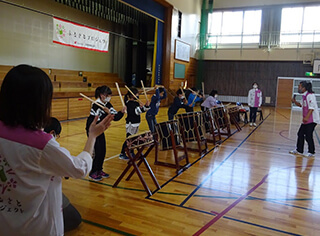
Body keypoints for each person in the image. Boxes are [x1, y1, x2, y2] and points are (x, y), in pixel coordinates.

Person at [0, 64, 113, 236]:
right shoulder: (41, 144)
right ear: (38, 103)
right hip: (38, 226)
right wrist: (92, 136)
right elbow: (79, 168)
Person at [43, 117, 82, 232]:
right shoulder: (47, 146)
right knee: (74, 218)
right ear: (52, 133)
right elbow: (79, 169)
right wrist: (93, 137)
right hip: (40, 193)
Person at [86, 86, 126, 181]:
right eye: (107, 95)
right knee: (97, 150)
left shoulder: (107, 104)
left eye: (110, 95)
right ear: (102, 95)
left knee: (102, 150)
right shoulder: (96, 105)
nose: (109, 97)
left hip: (100, 129)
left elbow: (114, 116)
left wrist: (122, 112)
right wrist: (108, 113)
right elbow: (98, 118)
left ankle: (99, 169)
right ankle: (93, 172)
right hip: (93, 129)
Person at [290, 81, 320, 158]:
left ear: (304, 88)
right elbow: (300, 105)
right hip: (306, 120)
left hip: (312, 119)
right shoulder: (304, 96)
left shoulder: (310, 95)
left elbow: (311, 108)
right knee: (300, 134)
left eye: (300, 86)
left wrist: (307, 117)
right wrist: (294, 102)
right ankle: (299, 150)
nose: (298, 88)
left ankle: (311, 152)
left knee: (308, 136)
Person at [119, 88, 150, 160]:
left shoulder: (135, 103)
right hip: (131, 124)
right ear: (132, 95)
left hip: (135, 123)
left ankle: (131, 152)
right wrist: (144, 107)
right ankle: (122, 153)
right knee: (129, 139)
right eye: (136, 94)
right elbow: (137, 111)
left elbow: (142, 110)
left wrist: (146, 106)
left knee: (133, 139)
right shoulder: (129, 104)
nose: (137, 95)